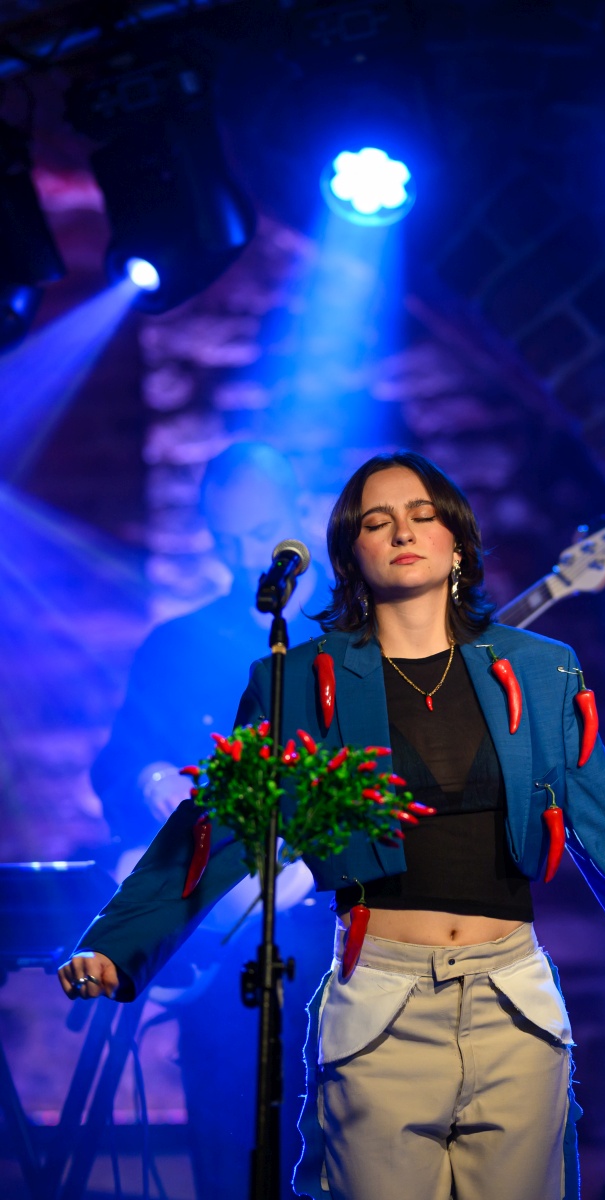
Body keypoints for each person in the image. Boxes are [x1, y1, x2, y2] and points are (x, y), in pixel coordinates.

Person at [59, 451, 605, 1200]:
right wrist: (118, 942)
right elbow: (219, 823)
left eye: (422, 515)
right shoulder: (295, 679)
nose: (403, 532)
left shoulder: (542, 669)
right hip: (378, 998)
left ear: (457, 541)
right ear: (351, 553)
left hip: (514, 997)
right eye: (377, 522)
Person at [90, 441, 333, 1200]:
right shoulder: (179, 644)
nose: (243, 555)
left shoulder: (361, 630)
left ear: (296, 513)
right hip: (223, 942)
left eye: (257, 531)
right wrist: (150, 776)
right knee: (228, 1140)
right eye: (225, 538)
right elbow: (118, 759)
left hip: (342, 933)